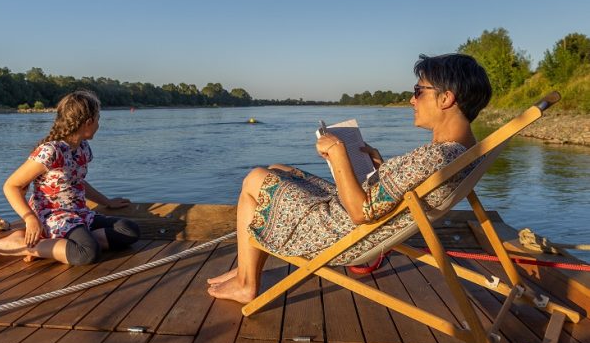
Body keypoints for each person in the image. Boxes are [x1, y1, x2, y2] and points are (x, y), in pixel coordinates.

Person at [207, 53, 492, 304]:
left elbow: (359, 212)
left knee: (255, 179)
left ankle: (247, 283)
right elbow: (398, 192)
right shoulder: (460, 151)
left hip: (341, 232)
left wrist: (338, 151)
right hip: (354, 218)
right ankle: (248, 264)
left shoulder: (438, 156)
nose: (411, 99)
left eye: (419, 91)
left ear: (446, 98)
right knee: (279, 169)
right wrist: (379, 166)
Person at [0, 90, 140, 265]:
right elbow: (11, 186)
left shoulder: (83, 148)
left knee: (129, 230)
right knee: (88, 253)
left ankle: (56, 244)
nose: (98, 124)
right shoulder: (50, 151)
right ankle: (18, 244)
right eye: (98, 119)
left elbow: (76, 182)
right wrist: (30, 218)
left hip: (78, 213)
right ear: (88, 122)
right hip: (53, 215)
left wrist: (107, 202)